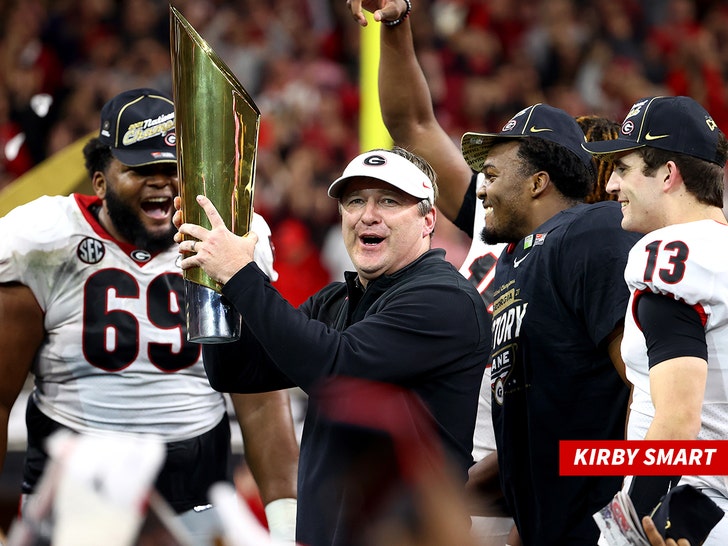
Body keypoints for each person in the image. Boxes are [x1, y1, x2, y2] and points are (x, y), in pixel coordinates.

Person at [349, 2, 636, 545]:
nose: (483, 184)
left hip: (563, 503)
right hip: (511, 486)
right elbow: (412, 124)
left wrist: (628, 499)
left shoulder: (586, 241)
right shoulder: (505, 237)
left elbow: (635, 397)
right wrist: (395, 22)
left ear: (547, 179)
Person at [0, 88, 299, 541]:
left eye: (172, 168)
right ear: (99, 181)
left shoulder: (231, 236)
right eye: (142, 170)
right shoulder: (45, 239)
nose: (162, 182)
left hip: (196, 485)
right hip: (74, 487)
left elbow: (259, 404)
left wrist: (285, 529)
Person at [174, 146, 491, 546]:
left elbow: (335, 370)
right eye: (355, 201)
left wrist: (241, 274)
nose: (368, 214)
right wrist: (216, 278)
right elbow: (236, 371)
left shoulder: (444, 299)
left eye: (389, 201)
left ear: (428, 219)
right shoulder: (338, 299)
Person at [583, 95, 728, 544]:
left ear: (668, 175)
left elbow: (679, 418)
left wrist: (630, 525)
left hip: (694, 506)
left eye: (623, 170)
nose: (611, 187)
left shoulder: (671, 253)